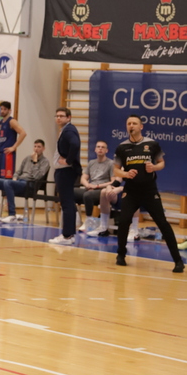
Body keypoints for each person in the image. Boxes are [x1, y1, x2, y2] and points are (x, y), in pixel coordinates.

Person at [113, 115, 183, 272]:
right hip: (131, 191)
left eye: (134, 123)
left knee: (162, 223)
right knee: (123, 221)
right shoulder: (122, 147)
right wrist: (125, 174)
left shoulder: (152, 144)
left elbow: (162, 163)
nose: (131, 126)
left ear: (141, 126)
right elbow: (116, 169)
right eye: (129, 123)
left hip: (149, 191)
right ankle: (121, 255)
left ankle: (178, 261)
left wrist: (154, 167)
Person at [0, 139, 50, 222]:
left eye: (39, 147)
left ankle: (12, 214)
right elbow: (18, 172)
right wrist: (14, 178)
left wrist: (35, 162)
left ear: (43, 149)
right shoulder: (27, 158)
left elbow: (37, 177)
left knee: (8, 183)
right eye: (35, 146)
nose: (36, 149)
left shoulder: (45, 162)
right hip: (19, 182)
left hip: (30, 185)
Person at [48, 107, 81, 246]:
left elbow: (75, 144)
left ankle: (67, 236)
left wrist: (68, 161)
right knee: (68, 202)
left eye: (61, 116)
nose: (58, 118)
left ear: (69, 117)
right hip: (64, 171)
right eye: (57, 116)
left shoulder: (69, 130)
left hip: (66, 171)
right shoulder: (65, 130)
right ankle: (70, 234)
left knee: (66, 203)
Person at [75, 140, 116, 232]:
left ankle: (89, 220)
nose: (100, 149)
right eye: (98, 147)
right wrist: (88, 185)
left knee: (87, 195)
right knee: (70, 192)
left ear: (106, 150)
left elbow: (113, 181)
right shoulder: (91, 162)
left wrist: (97, 186)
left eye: (103, 147)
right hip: (90, 188)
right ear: (95, 149)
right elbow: (83, 178)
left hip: (102, 190)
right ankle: (77, 219)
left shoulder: (111, 163)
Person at [0, 102, 27, 180]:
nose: (2, 111)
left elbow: (23, 133)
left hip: (8, 154)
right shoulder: (1, 122)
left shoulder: (12, 121)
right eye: (1, 109)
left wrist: (13, 147)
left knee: (6, 179)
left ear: (9, 110)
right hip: (1, 153)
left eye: (5, 109)